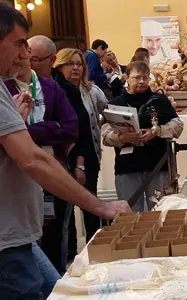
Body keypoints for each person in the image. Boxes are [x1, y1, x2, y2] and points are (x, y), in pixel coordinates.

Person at [0, 4, 129, 298]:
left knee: (59, 290)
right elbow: (32, 158)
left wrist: (20, 125)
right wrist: (100, 206)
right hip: (8, 243)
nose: (23, 54)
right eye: (19, 43)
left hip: (19, 237)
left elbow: (69, 129)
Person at [5, 54, 79, 274]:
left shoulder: (51, 87)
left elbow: (71, 128)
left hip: (52, 168)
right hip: (20, 178)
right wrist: (49, 127)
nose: (18, 61)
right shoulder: (5, 88)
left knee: (56, 234)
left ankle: (58, 274)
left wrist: (29, 130)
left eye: (26, 56)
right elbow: (15, 135)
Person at [102, 61, 183, 212]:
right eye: (137, 77)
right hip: (127, 167)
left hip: (158, 166)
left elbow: (178, 126)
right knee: (130, 214)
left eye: (145, 78)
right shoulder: (115, 103)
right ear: (126, 77)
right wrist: (122, 138)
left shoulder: (159, 100)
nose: (141, 81)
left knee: (162, 210)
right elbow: (105, 136)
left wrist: (156, 131)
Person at [54, 48, 109, 247]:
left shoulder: (92, 90)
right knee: (65, 208)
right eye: (70, 64)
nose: (75, 68)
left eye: (79, 64)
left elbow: (108, 113)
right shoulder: (56, 90)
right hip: (65, 157)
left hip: (90, 152)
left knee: (91, 204)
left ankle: (94, 246)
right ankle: (69, 251)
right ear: (59, 66)